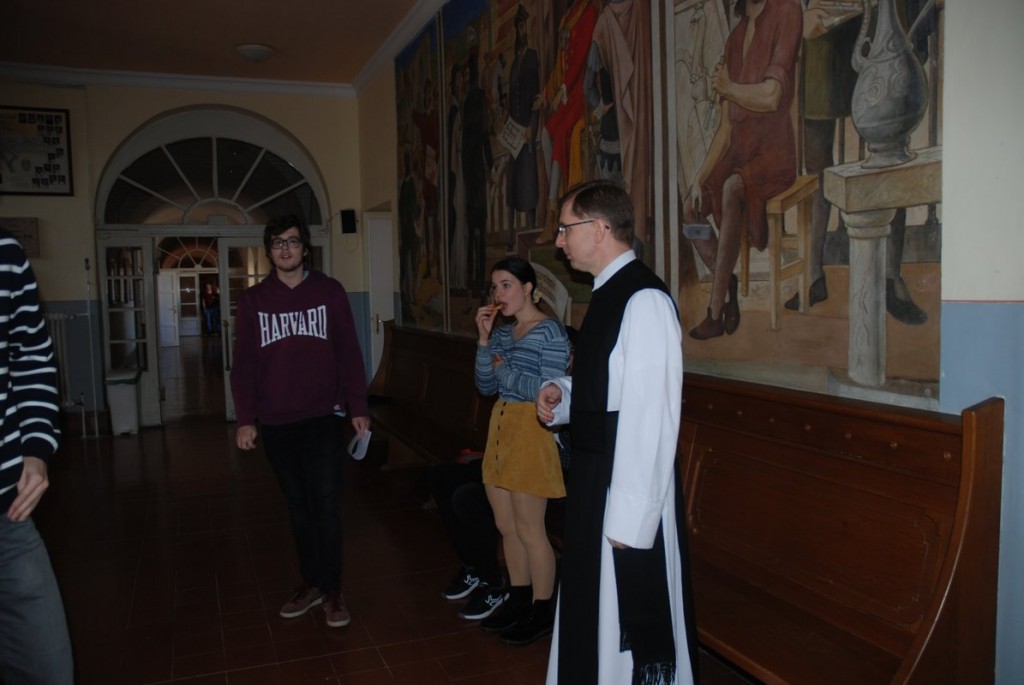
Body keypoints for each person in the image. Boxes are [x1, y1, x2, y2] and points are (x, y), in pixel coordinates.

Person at [537, 180, 696, 684]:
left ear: (600, 228)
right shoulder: (608, 292)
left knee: (618, 618)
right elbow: (610, 385)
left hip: (623, 485)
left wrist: (631, 522)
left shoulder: (643, 299)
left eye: (566, 228)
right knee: (591, 609)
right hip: (597, 477)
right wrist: (563, 394)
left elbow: (651, 416)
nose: (559, 240)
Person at [231, 214, 369, 629]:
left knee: (326, 503)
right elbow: (244, 365)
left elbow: (349, 351)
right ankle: (311, 583)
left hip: (323, 415)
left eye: (292, 241)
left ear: (305, 248)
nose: (285, 249)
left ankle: (333, 589)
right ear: (269, 250)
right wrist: (245, 418)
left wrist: (358, 407)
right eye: (278, 242)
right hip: (276, 421)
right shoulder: (254, 301)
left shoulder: (329, 292)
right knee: (299, 507)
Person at [686, 0, 803, 339]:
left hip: (773, 151)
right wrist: (697, 178)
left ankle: (715, 311)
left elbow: (772, 97)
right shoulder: (735, 38)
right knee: (689, 210)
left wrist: (729, 88)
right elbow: (725, 129)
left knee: (733, 187)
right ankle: (726, 281)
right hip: (738, 149)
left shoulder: (787, 12)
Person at [474, 257, 570, 646]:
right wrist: (483, 341)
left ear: (528, 288)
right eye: (494, 286)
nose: (498, 294)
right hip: (501, 428)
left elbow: (549, 391)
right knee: (506, 526)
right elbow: (484, 386)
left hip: (532, 430)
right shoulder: (501, 334)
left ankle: (542, 609)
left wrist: (505, 372)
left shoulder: (550, 331)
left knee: (531, 529)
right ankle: (518, 598)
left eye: (507, 285)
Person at [0, 228, 74, 683]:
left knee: (49, 667)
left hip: (9, 513)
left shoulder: (6, 253)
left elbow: (30, 356)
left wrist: (36, 447)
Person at [430, 455, 507, 621]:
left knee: (466, 497)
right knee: (440, 474)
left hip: (526, 472)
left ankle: (494, 584)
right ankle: (473, 567)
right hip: (502, 461)